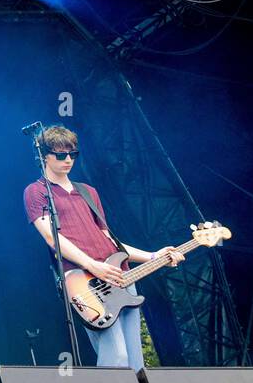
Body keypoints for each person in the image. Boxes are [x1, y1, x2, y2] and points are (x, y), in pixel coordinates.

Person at [23, 125, 184, 370]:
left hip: (119, 275)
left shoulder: (88, 192)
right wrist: (91, 265)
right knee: (115, 357)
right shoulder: (35, 192)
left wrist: (153, 256)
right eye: (60, 155)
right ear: (44, 155)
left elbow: (109, 240)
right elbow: (51, 238)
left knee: (134, 360)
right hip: (84, 280)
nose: (68, 160)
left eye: (72, 155)